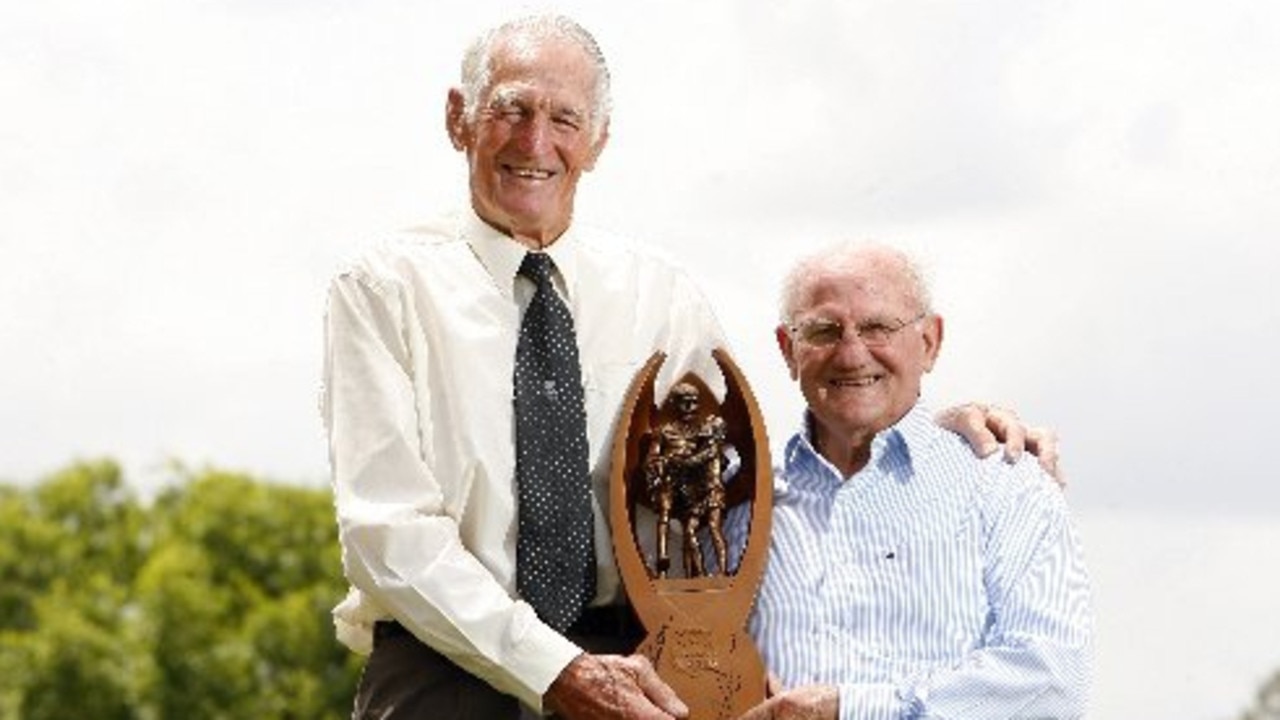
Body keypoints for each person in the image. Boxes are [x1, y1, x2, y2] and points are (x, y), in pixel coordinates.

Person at [322, 13, 1055, 720]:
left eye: (566, 120)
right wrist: (558, 670)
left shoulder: (662, 296)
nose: (535, 142)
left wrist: (933, 431)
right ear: (459, 117)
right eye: (511, 110)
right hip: (443, 674)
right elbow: (388, 532)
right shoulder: (383, 290)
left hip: (645, 671)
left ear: (599, 140)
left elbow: (751, 472)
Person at [731, 243, 1092, 720]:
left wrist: (851, 710)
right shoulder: (735, 499)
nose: (852, 354)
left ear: (929, 341)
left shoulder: (1007, 485)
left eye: (878, 327)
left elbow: (1051, 682)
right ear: (787, 349)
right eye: (824, 330)